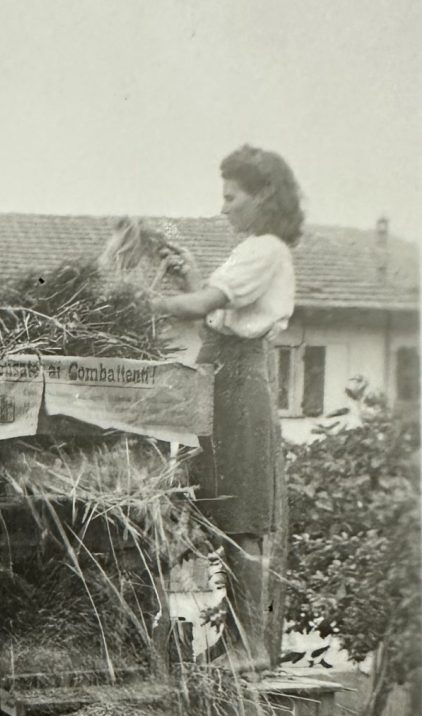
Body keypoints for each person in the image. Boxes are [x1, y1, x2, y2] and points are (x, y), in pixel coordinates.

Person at [150, 145, 304, 674]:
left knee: (241, 522)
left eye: (230, 196)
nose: (223, 208)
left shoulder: (266, 250)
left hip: (238, 385)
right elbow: (212, 314)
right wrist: (192, 273)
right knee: (206, 510)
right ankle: (227, 637)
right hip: (220, 381)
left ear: (263, 195)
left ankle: (250, 646)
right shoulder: (251, 250)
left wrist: (138, 301)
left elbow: (200, 309)